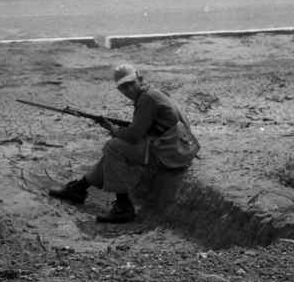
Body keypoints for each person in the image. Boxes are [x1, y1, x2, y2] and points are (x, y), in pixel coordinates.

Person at [49, 63, 194, 223]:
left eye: (132, 83)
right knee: (116, 145)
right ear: (119, 90)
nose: (129, 89)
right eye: (124, 86)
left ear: (140, 79)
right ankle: (80, 187)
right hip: (178, 149)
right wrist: (119, 129)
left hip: (173, 154)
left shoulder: (147, 98)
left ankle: (123, 207)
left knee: (114, 146)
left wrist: (110, 127)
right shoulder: (151, 93)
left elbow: (132, 136)